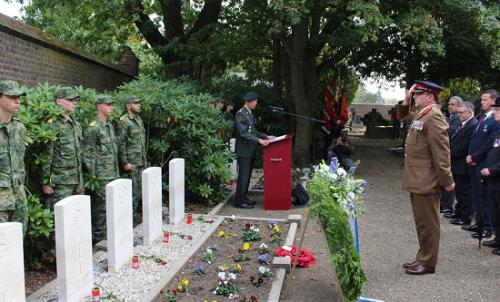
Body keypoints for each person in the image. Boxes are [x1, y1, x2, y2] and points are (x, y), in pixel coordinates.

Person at [398, 80, 454, 275]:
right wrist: (405, 100)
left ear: (430, 96)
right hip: (418, 178)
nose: (414, 96)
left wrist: (447, 181)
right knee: (421, 222)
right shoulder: (422, 114)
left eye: (418, 94)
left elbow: (441, 153)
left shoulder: (434, 117)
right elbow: (402, 116)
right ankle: (423, 257)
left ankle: (428, 263)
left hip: (427, 179)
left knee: (429, 224)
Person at [83, 95, 120, 243]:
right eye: (108, 104)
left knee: (110, 207)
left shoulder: (109, 126)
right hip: (101, 176)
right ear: (99, 106)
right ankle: (99, 239)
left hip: (112, 173)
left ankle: (108, 236)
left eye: (112, 105)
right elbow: (87, 154)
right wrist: (93, 176)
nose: (111, 107)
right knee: (100, 208)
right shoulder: (93, 128)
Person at [463, 90, 499, 239]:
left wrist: (475, 156)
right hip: (474, 162)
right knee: (476, 194)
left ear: (493, 101)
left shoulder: (494, 120)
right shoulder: (483, 117)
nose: (482, 102)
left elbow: (489, 142)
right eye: (481, 99)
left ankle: (487, 226)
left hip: (482, 162)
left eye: (485, 99)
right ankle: (479, 223)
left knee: (484, 196)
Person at [42, 87, 84, 210]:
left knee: (76, 215)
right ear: (59, 101)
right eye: (70, 100)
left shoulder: (75, 124)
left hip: (77, 180)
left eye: (75, 100)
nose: (74, 102)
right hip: (60, 183)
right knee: (59, 219)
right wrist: (45, 182)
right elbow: (46, 156)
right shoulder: (53, 125)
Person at [234, 92, 274, 209]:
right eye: (255, 101)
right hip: (244, 150)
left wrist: (266, 137)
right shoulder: (240, 114)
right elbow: (243, 133)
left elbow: (254, 132)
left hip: (250, 150)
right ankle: (239, 201)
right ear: (248, 101)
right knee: (243, 176)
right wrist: (259, 141)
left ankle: (244, 197)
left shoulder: (249, 114)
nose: (256, 103)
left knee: (247, 175)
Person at [0, 80, 27, 233]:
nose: (17, 100)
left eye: (18, 96)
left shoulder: (19, 128)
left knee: (17, 244)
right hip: (1, 202)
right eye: (11, 96)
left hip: (19, 197)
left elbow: (20, 162)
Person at [117, 96, 147, 219]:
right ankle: (128, 219)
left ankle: (134, 218)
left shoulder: (139, 120)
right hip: (131, 163)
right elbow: (121, 143)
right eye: (136, 103)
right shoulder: (124, 121)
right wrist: (125, 162)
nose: (139, 105)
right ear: (128, 106)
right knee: (131, 193)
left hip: (141, 161)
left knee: (139, 192)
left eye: (139, 103)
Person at [448, 102, 477, 226]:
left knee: (465, 192)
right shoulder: (463, 124)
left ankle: (465, 216)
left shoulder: (472, 124)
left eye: (461, 112)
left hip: (463, 164)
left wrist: (449, 154)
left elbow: (464, 146)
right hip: (457, 163)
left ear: (470, 112)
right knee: (459, 190)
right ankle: (459, 211)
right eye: (457, 112)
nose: (458, 115)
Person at [481, 91, 500, 255]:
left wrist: (492, 169)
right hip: (493, 179)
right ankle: (498, 238)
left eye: (498, 110)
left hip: (496, 176)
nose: (495, 112)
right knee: (494, 211)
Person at [441, 96, 463, 215]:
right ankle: (444, 203)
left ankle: (447, 205)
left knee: (449, 179)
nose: (450, 106)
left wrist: (443, 125)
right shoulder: (451, 118)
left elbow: (450, 133)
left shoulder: (458, 119)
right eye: (449, 104)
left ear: (459, 106)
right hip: (446, 153)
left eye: (453, 104)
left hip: (453, 154)